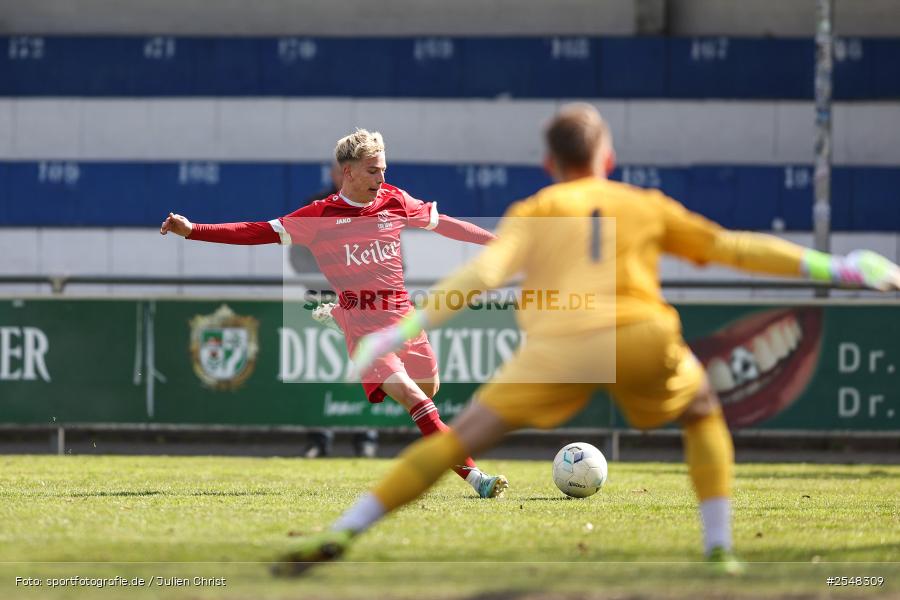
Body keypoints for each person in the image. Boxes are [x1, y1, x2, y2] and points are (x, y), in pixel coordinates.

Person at [274, 104, 900, 575]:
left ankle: (349, 530)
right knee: (703, 410)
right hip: (643, 335)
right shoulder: (643, 202)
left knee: (459, 438)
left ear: (550, 163)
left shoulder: (536, 209)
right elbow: (735, 249)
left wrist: (412, 324)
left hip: (558, 345)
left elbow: (482, 274)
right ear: (609, 157)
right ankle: (718, 549)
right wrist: (840, 269)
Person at [160, 129, 509, 499]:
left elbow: (448, 224)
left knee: (429, 389)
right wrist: (193, 230)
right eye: (374, 171)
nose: (382, 178)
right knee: (415, 399)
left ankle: (338, 314)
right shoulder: (320, 216)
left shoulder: (394, 200)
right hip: (366, 332)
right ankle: (477, 479)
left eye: (384, 169)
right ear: (349, 173)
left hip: (403, 320)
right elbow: (255, 232)